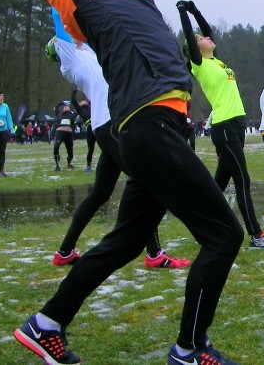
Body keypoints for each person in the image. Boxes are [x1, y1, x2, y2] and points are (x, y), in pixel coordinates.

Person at [4, 0, 243, 364]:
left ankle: (45, 325)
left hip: (158, 128)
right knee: (223, 236)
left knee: (128, 241)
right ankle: (189, 351)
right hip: (147, 124)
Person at [46, 15, 191, 270]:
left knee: (99, 195)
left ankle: (65, 251)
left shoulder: (88, 53)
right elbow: (61, 22)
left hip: (113, 124)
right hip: (110, 127)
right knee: (147, 181)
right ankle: (154, 253)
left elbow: (95, 31)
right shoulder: (71, 62)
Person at [177, 0, 264, 251]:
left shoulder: (217, 61)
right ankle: (257, 235)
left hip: (235, 125)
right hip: (223, 127)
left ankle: (199, 221)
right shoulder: (199, 64)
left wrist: (196, 11)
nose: (205, 38)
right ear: (193, 47)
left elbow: (209, 33)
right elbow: (193, 39)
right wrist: (183, 13)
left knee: (219, 185)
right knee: (242, 181)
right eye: (199, 38)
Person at [70, 89, 95, 172]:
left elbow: (93, 96)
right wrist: (74, 91)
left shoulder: (92, 106)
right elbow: (73, 101)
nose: (83, 102)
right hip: (90, 129)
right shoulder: (80, 110)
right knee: (90, 149)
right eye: (81, 101)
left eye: (84, 100)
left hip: (99, 127)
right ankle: (88, 166)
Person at [52, 100, 76, 171]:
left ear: (70, 108)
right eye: (64, 106)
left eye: (67, 106)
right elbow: (56, 108)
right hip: (60, 133)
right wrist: (61, 102)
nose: (65, 107)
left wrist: (73, 101)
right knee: (56, 146)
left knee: (70, 151)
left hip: (68, 134)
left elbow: (78, 109)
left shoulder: (72, 115)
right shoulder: (59, 115)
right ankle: (57, 165)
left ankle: (69, 164)